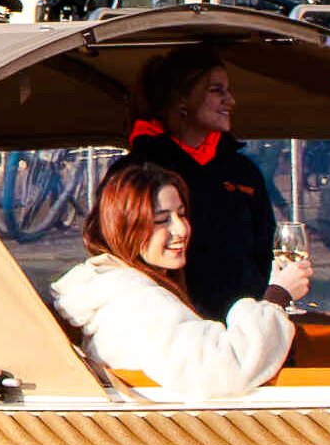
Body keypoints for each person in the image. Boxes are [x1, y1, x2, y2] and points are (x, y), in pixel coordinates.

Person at [55, 146, 295, 394]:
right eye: (162, 221)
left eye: (182, 215)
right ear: (125, 227)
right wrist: (276, 297)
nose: (181, 230)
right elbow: (223, 370)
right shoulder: (137, 304)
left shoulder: (113, 292)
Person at [122, 54, 293, 320]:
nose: (230, 101)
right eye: (217, 91)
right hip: (175, 326)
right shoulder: (137, 170)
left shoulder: (243, 170)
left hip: (246, 327)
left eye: (229, 91)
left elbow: (264, 251)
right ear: (181, 99)